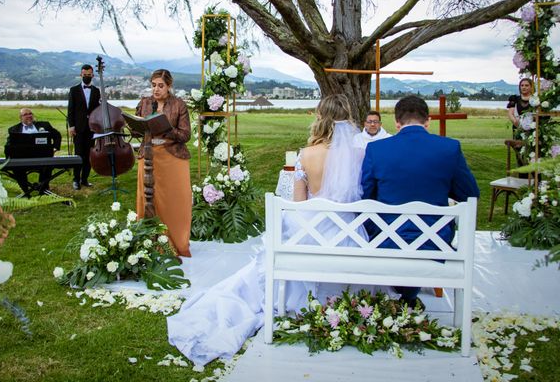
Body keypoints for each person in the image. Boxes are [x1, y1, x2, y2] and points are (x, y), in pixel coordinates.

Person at [167, 94, 368, 366]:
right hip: (348, 239)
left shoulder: (306, 155)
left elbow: (299, 205)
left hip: (311, 238)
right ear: (348, 120)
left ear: (321, 119)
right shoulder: (360, 154)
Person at [360, 95, 480, 307]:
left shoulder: (377, 150)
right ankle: (409, 297)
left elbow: (367, 196)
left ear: (397, 123)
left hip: (388, 240)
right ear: (428, 121)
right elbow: (470, 194)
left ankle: (405, 295)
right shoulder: (449, 148)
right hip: (434, 241)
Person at [135, 69, 192, 257]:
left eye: (160, 85)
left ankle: (177, 242)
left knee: (175, 200)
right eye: (153, 85)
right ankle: (149, 241)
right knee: (148, 199)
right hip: (148, 155)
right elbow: (137, 129)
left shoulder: (179, 105)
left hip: (172, 156)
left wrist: (166, 129)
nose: (156, 89)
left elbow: (185, 135)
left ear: (169, 86)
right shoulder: (144, 103)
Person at [5, 108, 61, 195]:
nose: (29, 116)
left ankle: (43, 189)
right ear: (20, 117)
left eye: (30, 114)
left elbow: (57, 135)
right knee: (17, 167)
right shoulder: (14, 129)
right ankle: (26, 191)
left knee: (48, 164)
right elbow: (8, 145)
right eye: (25, 114)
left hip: (42, 158)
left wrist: (55, 148)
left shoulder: (44, 125)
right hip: (22, 160)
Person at [67, 64, 101, 190]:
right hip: (79, 128)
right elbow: (70, 110)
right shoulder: (74, 90)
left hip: (92, 128)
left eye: (89, 75)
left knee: (89, 155)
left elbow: (97, 110)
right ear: (81, 75)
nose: (87, 76)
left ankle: (85, 179)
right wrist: (72, 126)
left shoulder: (96, 91)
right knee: (78, 155)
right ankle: (76, 179)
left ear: (92, 75)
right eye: (85, 74)